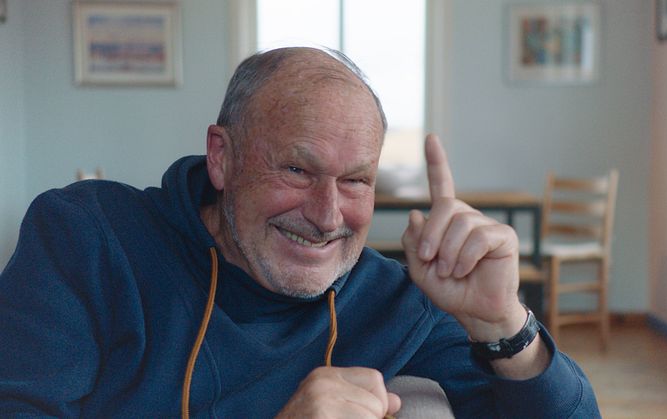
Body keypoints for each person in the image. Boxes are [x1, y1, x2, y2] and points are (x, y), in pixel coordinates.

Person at [0, 47, 599, 418]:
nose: (326, 214)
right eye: (296, 169)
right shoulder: (85, 238)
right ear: (222, 157)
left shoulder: (395, 301)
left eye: (356, 180)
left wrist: (504, 327)